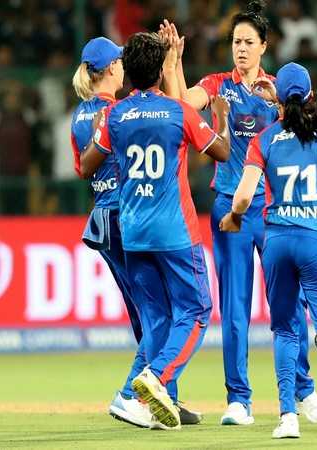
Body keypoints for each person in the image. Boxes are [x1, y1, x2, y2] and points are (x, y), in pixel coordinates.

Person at [162, 0, 317, 426]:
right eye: (236, 41)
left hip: (275, 210)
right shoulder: (218, 84)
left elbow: (310, 131)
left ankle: (304, 391)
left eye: (248, 42)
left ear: (264, 47)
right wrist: (174, 63)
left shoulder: (278, 89)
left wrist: (278, 107)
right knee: (234, 308)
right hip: (229, 209)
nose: (240, 48)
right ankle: (240, 400)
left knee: (287, 305)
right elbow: (182, 103)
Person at [220, 63, 317, 438]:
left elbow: (242, 196)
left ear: (278, 100)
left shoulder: (265, 139)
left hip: (278, 241)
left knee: (285, 329)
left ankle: (287, 417)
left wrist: (234, 218)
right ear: (311, 95)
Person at [92, 31, 231, 430]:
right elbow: (220, 150)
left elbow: (90, 161)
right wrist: (218, 116)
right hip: (174, 231)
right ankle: (154, 380)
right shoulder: (177, 112)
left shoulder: (115, 114)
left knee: (156, 319)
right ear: (158, 71)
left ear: (128, 73)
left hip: (132, 230)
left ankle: (140, 400)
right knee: (198, 309)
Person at [71, 36, 200, 429]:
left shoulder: (79, 115)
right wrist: (171, 68)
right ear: (111, 69)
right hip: (129, 217)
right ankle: (133, 394)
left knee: (148, 314)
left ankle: (166, 399)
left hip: (102, 219)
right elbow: (176, 118)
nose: (124, 68)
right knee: (162, 314)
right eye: (120, 62)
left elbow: (82, 168)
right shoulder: (119, 112)